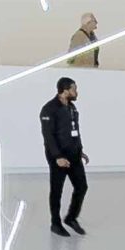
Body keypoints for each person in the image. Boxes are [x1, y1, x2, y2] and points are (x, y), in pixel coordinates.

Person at [42, 76, 87, 236]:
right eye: (74, 88)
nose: (76, 92)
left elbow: (75, 132)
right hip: (59, 158)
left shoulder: (72, 108)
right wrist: (58, 157)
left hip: (74, 155)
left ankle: (71, 218)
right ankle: (55, 223)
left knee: (82, 186)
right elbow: (48, 136)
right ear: (65, 90)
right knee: (57, 190)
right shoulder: (49, 109)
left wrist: (80, 150)